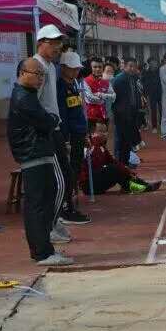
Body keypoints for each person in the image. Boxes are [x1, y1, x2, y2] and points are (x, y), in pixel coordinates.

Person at [8, 57, 74, 268]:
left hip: (37, 152)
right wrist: (52, 119)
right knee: (39, 204)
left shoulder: (27, 95)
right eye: (37, 74)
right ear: (22, 73)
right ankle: (42, 252)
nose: (40, 79)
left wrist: (50, 119)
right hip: (33, 154)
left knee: (44, 201)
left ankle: (44, 248)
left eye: (42, 75)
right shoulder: (23, 98)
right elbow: (46, 122)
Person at [32, 24, 79, 243]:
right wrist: (43, 127)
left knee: (66, 177)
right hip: (45, 131)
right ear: (41, 43)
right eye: (53, 43)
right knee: (56, 182)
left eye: (59, 43)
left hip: (56, 129)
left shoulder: (51, 67)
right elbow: (33, 103)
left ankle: (54, 218)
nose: (57, 47)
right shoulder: (36, 67)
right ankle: (49, 224)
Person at [57, 51, 91, 225]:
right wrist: (65, 138)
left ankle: (70, 204)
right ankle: (66, 208)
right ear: (63, 68)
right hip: (69, 135)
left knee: (75, 171)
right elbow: (62, 114)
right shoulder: (60, 87)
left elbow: (78, 111)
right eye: (72, 68)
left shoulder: (74, 84)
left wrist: (84, 132)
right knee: (68, 173)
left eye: (77, 68)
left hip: (78, 133)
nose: (76, 71)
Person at [80, 129, 162, 195]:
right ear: (94, 133)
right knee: (113, 169)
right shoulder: (92, 146)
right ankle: (131, 187)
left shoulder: (102, 147)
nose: (104, 134)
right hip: (89, 185)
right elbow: (95, 165)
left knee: (120, 168)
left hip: (97, 179)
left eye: (105, 132)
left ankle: (143, 184)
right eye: (100, 131)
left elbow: (113, 161)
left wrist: (126, 170)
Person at [112, 58, 142, 166]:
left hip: (131, 113)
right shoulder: (119, 79)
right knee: (121, 140)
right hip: (122, 115)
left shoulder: (133, 78)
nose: (132, 68)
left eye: (134, 66)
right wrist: (120, 112)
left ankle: (125, 161)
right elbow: (115, 99)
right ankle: (120, 163)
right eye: (130, 66)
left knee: (128, 140)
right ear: (124, 66)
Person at [84, 58, 115, 131]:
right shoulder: (86, 81)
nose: (97, 69)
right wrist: (106, 97)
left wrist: (101, 95)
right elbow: (90, 99)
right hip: (91, 116)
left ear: (102, 68)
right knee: (93, 137)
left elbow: (113, 97)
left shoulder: (106, 81)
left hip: (104, 116)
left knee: (105, 137)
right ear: (91, 68)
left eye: (100, 67)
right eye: (95, 67)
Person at [140, 56, 162, 134]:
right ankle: (154, 127)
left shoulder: (160, 71)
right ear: (149, 64)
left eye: (155, 62)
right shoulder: (146, 72)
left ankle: (161, 124)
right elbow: (143, 83)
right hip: (151, 94)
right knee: (153, 110)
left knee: (162, 109)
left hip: (160, 92)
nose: (154, 64)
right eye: (152, 62)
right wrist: (145, 94)